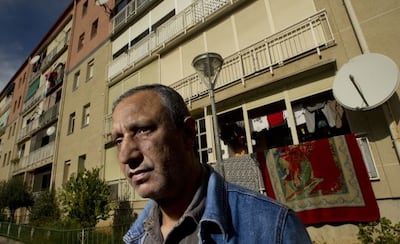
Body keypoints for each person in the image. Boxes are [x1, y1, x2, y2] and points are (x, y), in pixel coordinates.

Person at [111, 84, 312, 243]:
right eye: (118, 140)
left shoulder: (274, 227)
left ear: (188, 134)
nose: (126, 155)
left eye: (143, 130)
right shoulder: (136, 237)